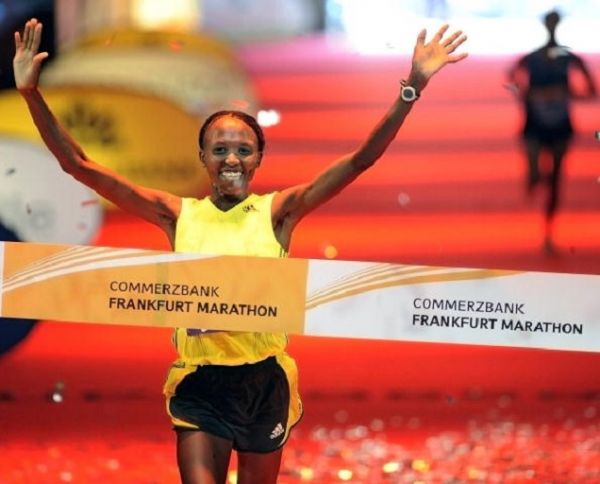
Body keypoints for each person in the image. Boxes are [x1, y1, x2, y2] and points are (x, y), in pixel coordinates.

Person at [13, 18, 467, 484]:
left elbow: (360, 160)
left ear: (258, 158)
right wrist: (31, 93)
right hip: (200, 383)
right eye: (220, 149)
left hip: (264, 384)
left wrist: (411, 87)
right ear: (203, 158)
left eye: (243, 149)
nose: (232, 159)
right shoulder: (176, 214)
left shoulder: (279, 214)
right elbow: (79, 165)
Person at [507, 9, 596, 254]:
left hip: (559, 125)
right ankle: (534, 175)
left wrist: (567, 94)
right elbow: (511, 81)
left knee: (556, 179)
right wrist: (529, 95)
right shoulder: (534, 58)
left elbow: (592, 90)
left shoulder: (567, 58)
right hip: (535, 124)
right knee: (538, 176)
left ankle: (548, 234)